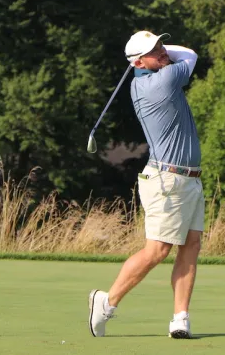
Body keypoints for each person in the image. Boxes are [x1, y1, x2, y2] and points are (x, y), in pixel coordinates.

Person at [89, 30, 204, 339]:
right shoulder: (161, 82)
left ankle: (180, 318)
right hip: (167, 180)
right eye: (154, 50)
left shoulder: (153, 74)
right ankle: (106, 303)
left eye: (161, 44)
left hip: (189, 178)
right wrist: (158, 57)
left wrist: (154, 54)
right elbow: (190, 54)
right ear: (138, 61)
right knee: (157, 250)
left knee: (190, 246)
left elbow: (176, 55)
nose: (163, 51)